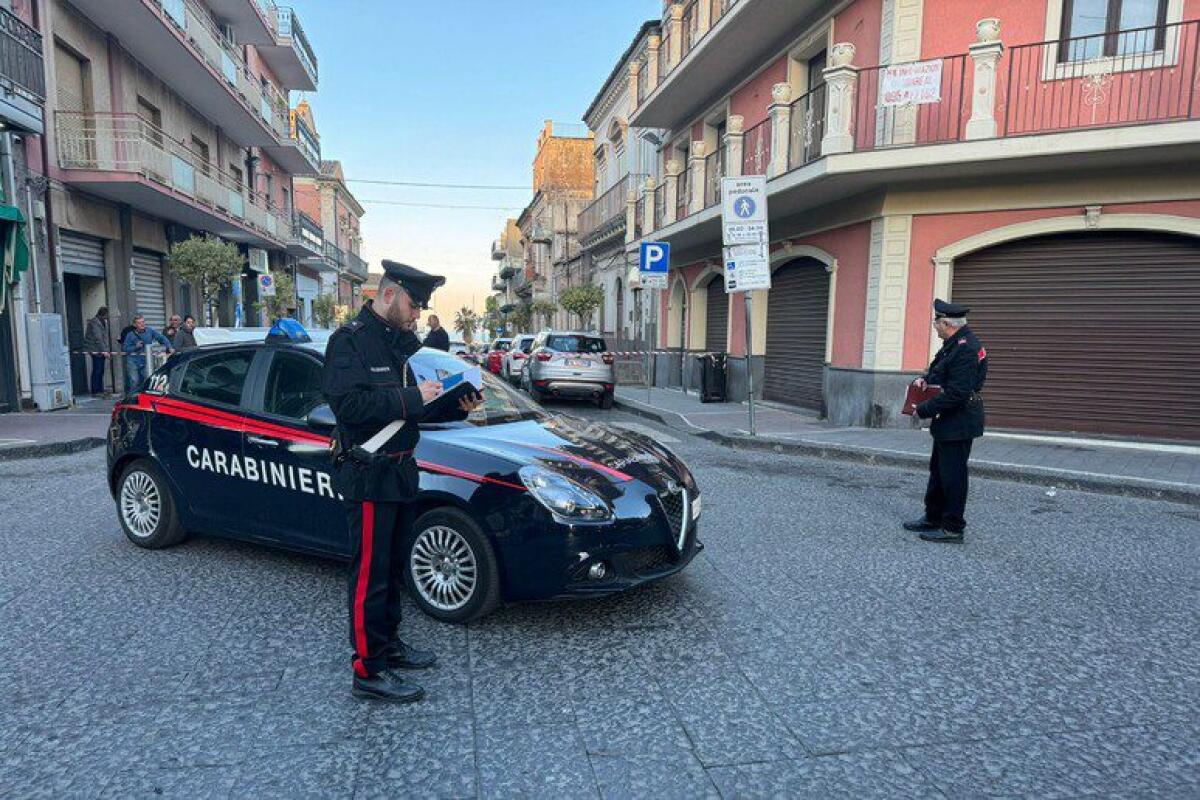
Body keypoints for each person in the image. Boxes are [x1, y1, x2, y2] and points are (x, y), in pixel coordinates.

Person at [322, 260, 483, 703]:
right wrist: (413, 397)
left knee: (393, 569)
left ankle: (388, 645)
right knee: (369, 575)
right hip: (369, 474)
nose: (417, 315)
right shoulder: (348, 342)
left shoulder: (400, 347)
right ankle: (367, 669)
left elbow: (408, 412)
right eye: (414, 305)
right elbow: (348, 406)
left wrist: (455, 406)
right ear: (389, 295)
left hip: (399, 471)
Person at [903, 299, 988, 543]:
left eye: (936, 322)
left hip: (959, 422)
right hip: (948, 421)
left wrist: (924, 409)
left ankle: (952, 527)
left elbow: (958, 392)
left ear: (947, 323)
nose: (934, 326)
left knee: (953, 476)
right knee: (939, 472)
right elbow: (941, 372)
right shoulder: (953, 344)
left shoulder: (966, 348)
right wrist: (924, 380)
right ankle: (933, 517)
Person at [121, 314, 174, 391]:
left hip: (146, 360)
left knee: (147, 380)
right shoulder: (130, 335)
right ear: (135, 325)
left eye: (143, 322)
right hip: (133, 360)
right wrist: (136, 347)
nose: (142, 324)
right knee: (134, 381)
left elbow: (161, 338)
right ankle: (133, 398)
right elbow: (125, 348)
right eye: (139, 323)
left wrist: (169, 346)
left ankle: (144, 397)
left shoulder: (150, 331)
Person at [82, 307, 110, 395]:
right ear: (104, 314)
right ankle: (95, 390)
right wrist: (104, 350)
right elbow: (98, 338)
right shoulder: (94, 322)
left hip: (100, 349)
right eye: (107, 315)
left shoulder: (102, 321)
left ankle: (100, 389)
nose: (108, 317)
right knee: (97, 369)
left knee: (101, 369)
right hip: (95, 349)